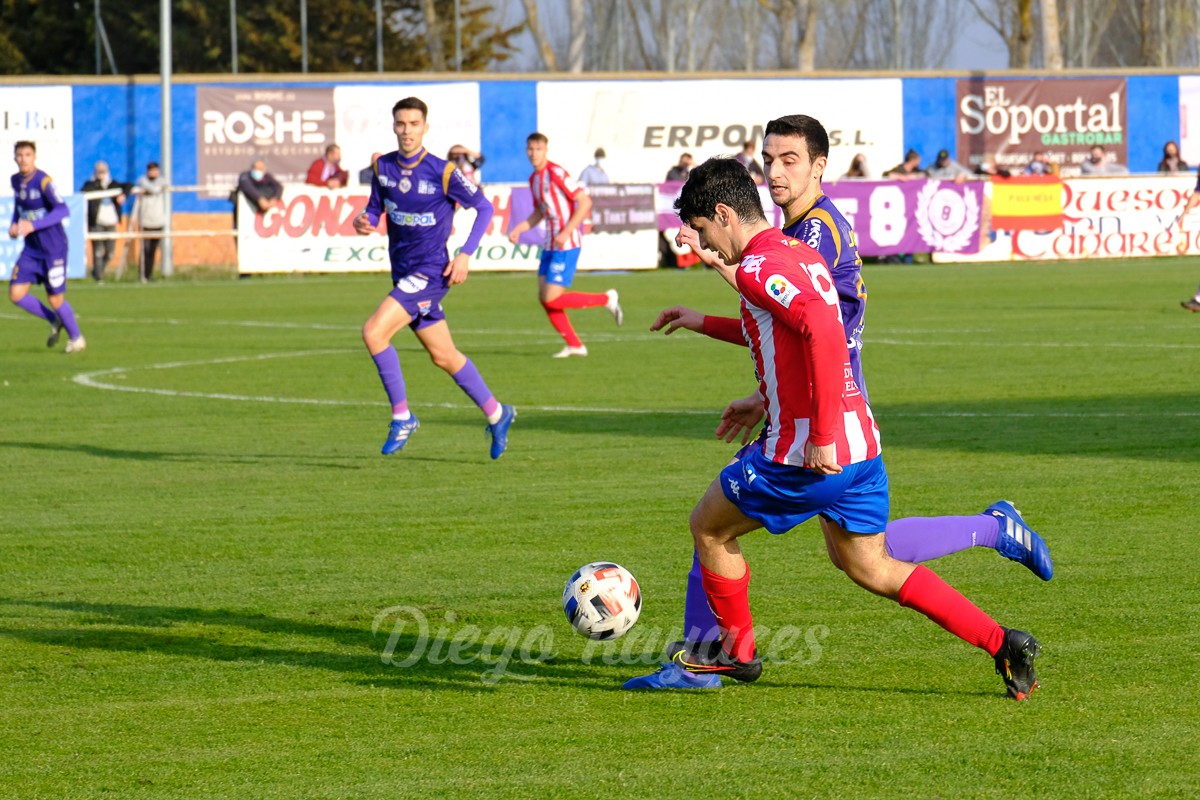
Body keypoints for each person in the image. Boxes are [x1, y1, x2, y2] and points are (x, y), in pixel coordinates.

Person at [626, 115, 1051, 691]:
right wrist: (704, 323)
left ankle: (728, 658)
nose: (703, 244)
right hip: (860, 441)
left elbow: (822, 331)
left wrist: (819, 432)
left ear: (725, 215)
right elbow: (780, 327)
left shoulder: (771, 256)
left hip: (810, 445)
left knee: (709, 529)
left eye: (704, 230)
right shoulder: (788, 246)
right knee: (869, 564)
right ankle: (1004, 642)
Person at [353, 96, 514, 458]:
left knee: (373, 332)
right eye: (400, 124)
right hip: (404, 273)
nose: (406, 131)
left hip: (431, 273)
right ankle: (498, 413)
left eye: (413, 124)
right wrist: (362, 221)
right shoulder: (383, 168)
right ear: (394, 126)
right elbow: (374, 210)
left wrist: (465, 255)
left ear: (425, 127)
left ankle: (403, 416)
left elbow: (484, 207)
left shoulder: (441, 171)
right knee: (444, 356)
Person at [507, 132, 623, 358]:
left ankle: (607, 299)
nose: (534, 153)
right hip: (550, 243)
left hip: (566, 242)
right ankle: (575, 345)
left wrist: (567, 230)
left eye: (538, 149)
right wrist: (520, 228)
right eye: (530, 149)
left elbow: (584, 201)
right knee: (545, 298)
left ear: (546, 150)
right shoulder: (534, 179)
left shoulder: (556, 172)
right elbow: (541, 211)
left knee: (552, 297)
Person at [8, 141, 85, 353]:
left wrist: (33, 224)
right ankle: (54, 320)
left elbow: (63, 210)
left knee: (55, 298)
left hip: (54, 248)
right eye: (20, 155)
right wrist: (15, 224)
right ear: (15, 158)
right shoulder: (15, 180)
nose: (23, 159)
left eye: (27, 154)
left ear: (34, 157)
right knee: (15, 294)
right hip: (31, 249)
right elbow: (19, 206)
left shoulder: (43, 181)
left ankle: (76, 338)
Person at [81, 160, 128, 282]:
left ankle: (97, 271)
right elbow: (83, 192)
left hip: (110, 222)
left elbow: (128, 185)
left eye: (104, 172)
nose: (102, 174)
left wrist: (123, 195)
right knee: (97, 251)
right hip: (96, 223)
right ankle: (99, 278)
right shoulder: (91, 184)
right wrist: (98, 182)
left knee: (110, 253)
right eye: (99, 172)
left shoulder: (113, 184)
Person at [133, 161, 166, 282]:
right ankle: (142, 274)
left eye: (156, 170)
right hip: (146, 221)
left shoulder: (162, 181)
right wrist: (153, 189)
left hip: (158, 221)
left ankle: (149, 274)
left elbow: (162, 184)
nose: (154, 173)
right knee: (145, 250)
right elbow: (151, 188)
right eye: (151, 170)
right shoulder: (142, 181)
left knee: (153, 250)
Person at [233, 159, 283, 226]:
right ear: (252, 168)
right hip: (244, 214)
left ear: (264, 169)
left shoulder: (267, 177)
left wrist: (275, 199)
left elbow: (278, 187)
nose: (258, 171)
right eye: (256, 168)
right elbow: (248, 187)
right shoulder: (245, 176)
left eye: (261, 169)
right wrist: (259, 198)